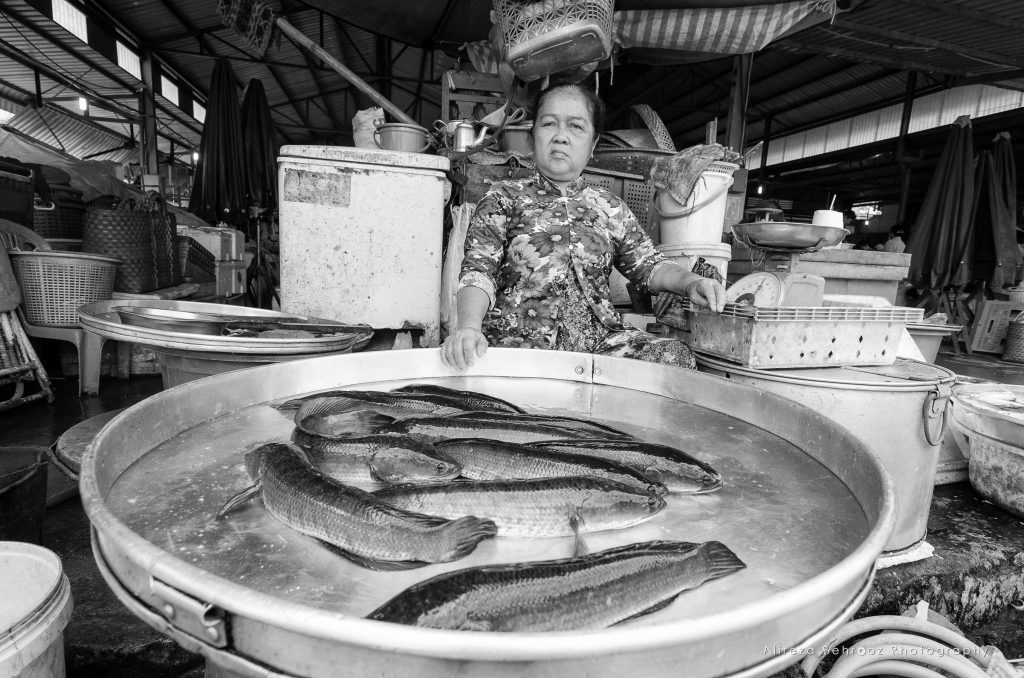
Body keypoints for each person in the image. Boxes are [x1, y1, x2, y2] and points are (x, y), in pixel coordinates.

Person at [441, 82, 726, 370]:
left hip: (599, 346)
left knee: (674, 357)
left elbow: (650, 266)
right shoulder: (502, 197)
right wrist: (469, 328)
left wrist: (692, 282)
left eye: (576, 127)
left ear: (592, 145)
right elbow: (478, 271)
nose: (560, 137)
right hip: (520, 344)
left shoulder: (609, 207)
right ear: (532, 137)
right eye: (549, 123)